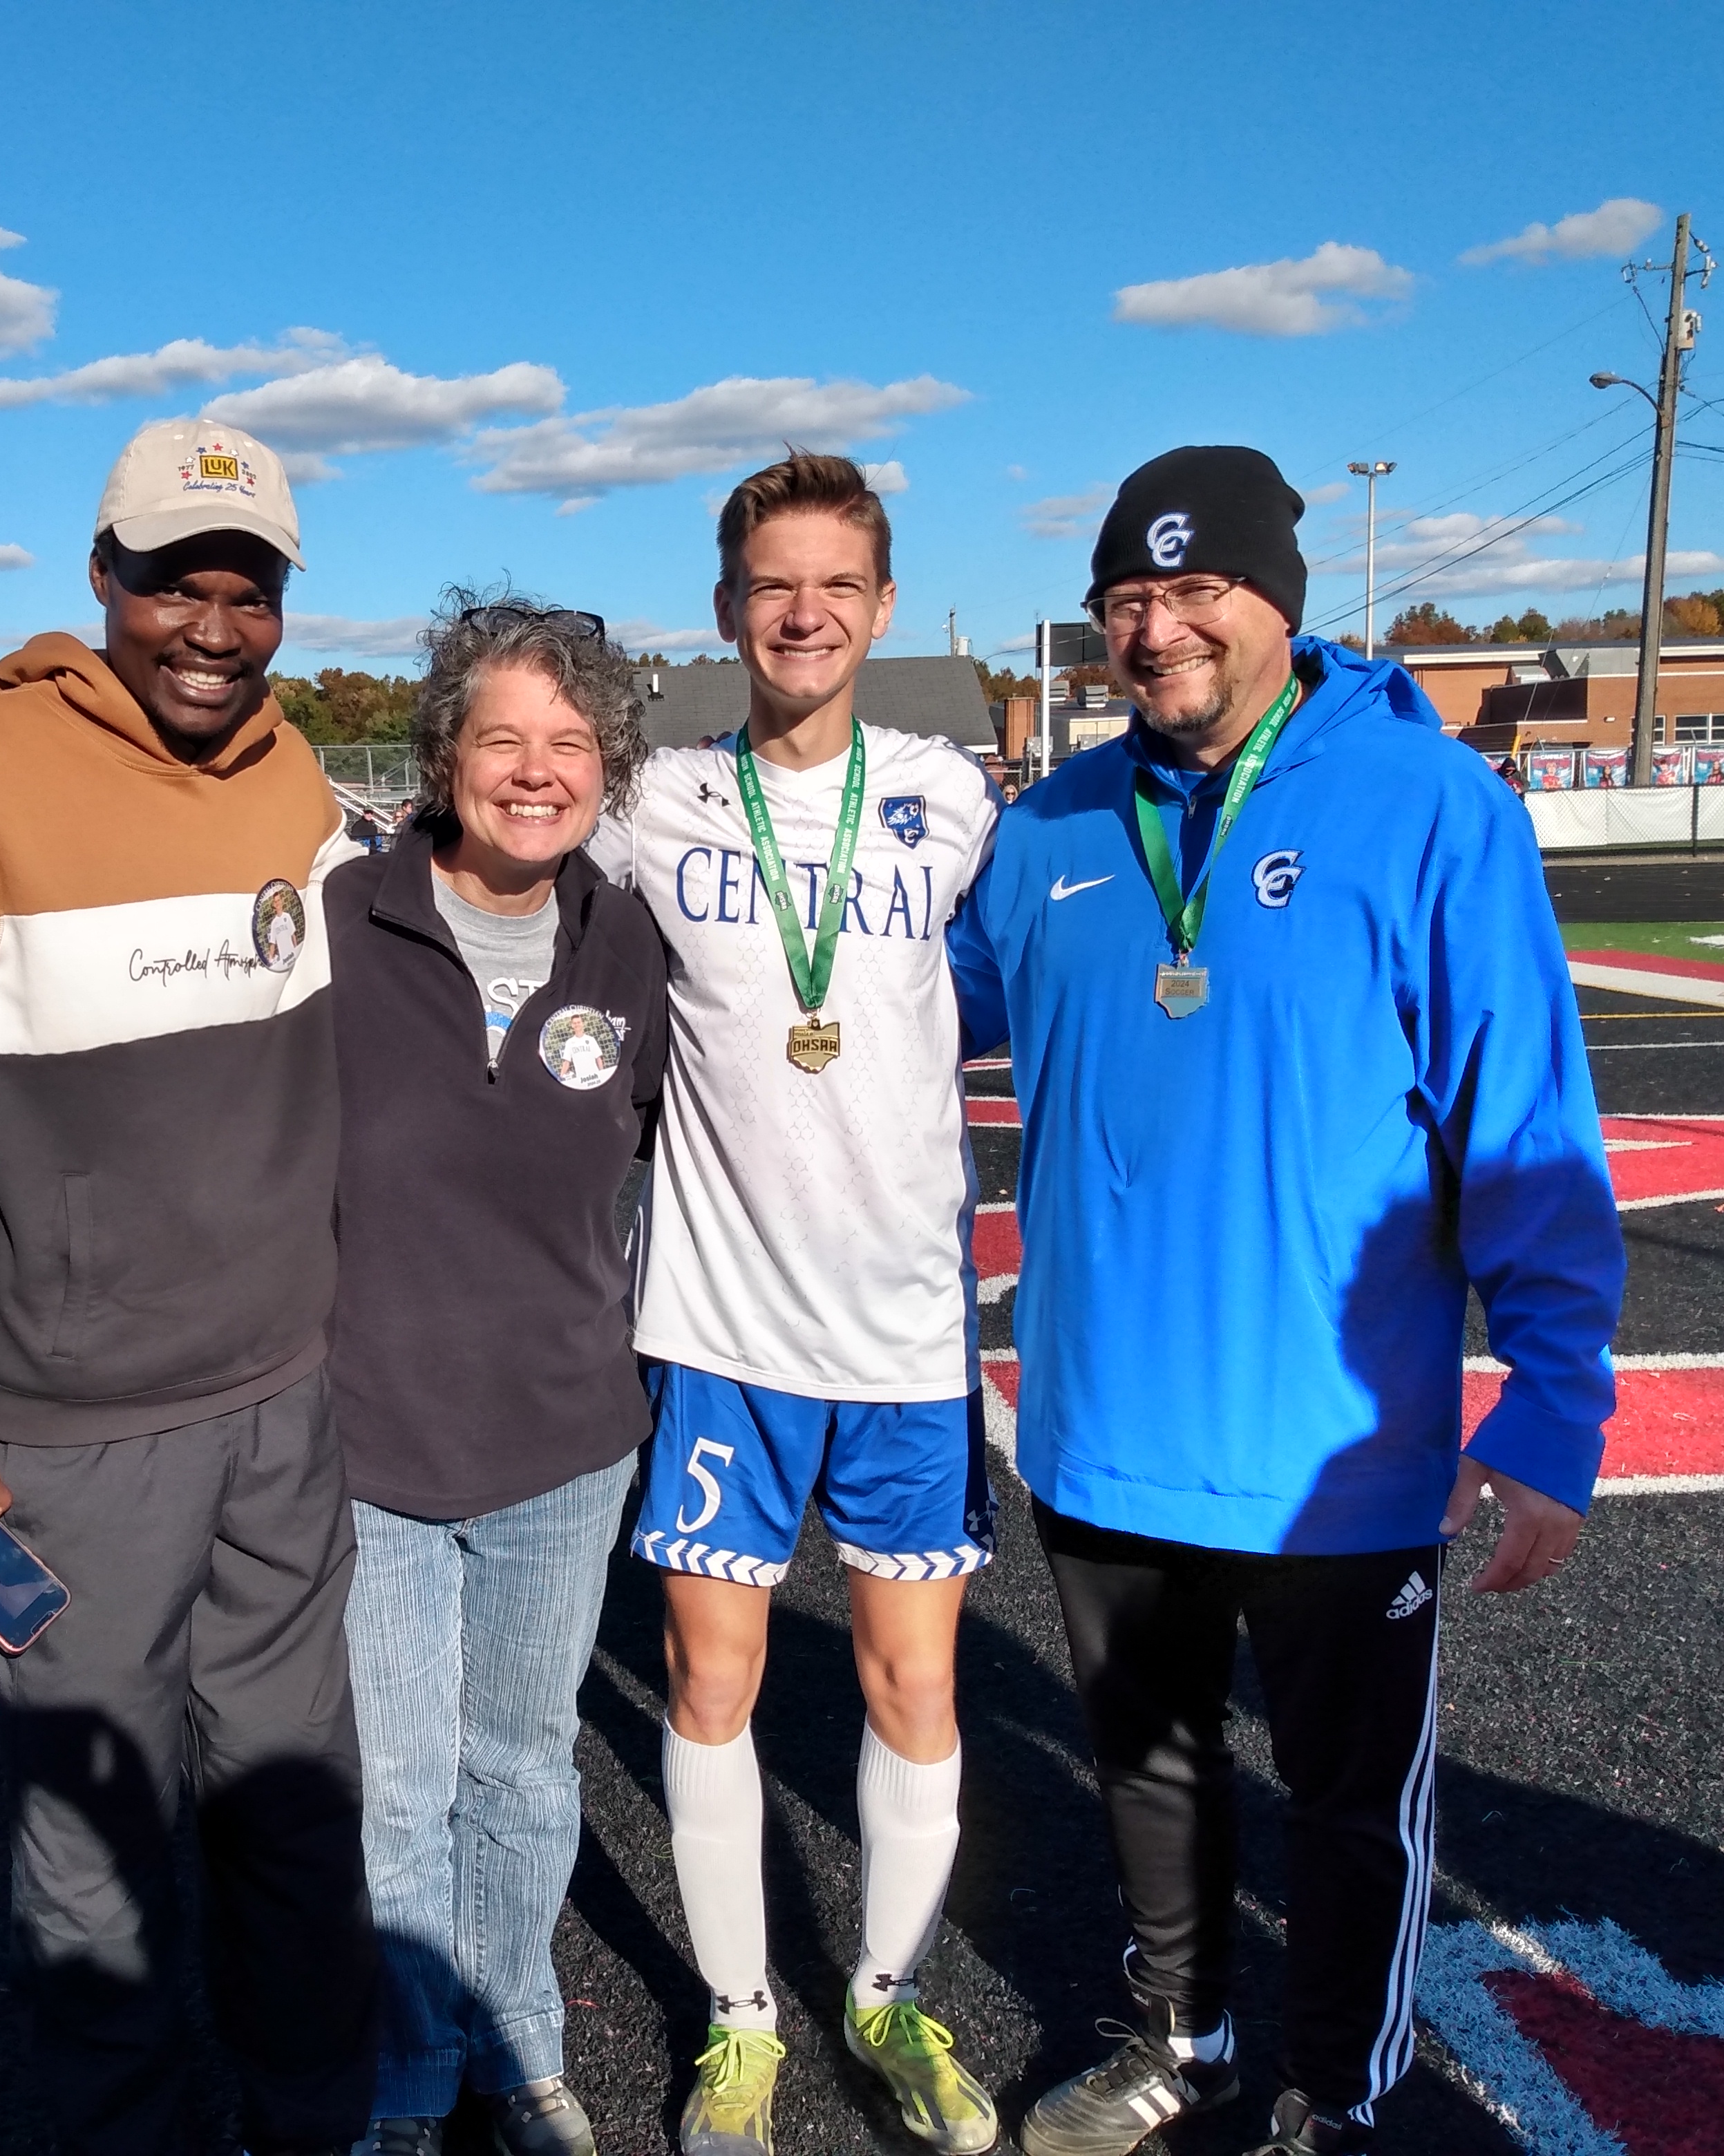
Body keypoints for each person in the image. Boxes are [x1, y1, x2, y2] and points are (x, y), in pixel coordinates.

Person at [947, 448, 1623, 2156]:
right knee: (1152, 1777)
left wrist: (1552, 1400)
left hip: (1337, 1452)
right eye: (1125, 600)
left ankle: (1344, 2084)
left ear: (1277, 601)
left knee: (1344, 1808)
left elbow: (1524, 1120)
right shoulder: (1046, 829)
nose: (1156, 628)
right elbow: (878, 1014)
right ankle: (1182, 2034)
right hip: (1099, 1433)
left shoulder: (1424, 803)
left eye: (1192, 592)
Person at [0, 417, 376, 2156]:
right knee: (95, 1852)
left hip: (285, 1402)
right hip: (72, 1438)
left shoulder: (300, 783)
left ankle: (313, 2120)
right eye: (172, 583)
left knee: (295, 1818)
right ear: (101, 575)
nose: (209, 625)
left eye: (247, 590)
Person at [589, 451, 1006, 2155]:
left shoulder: (958, 792)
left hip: (905, 1335)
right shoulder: (655, 801)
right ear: (725, 608)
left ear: (884, 604)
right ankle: (744, 2018)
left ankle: (890, 1990)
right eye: (774, 581)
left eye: (837, 581)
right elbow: (470, 905)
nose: (806, 610)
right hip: (717, 1330)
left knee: (914, 1689)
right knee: (710, 1682)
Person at [325, 598, 667, 2155]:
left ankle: (518, 2046)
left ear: (609, 766)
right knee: (396, 1792)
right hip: (369, 1445)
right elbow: (179, 1081)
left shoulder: (631, 944)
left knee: (521, 1773)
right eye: (501, 740)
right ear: (443, 756)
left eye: (570, 744)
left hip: (561, 1444)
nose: (535, 772)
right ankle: (406, 2067)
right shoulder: (336, 924)